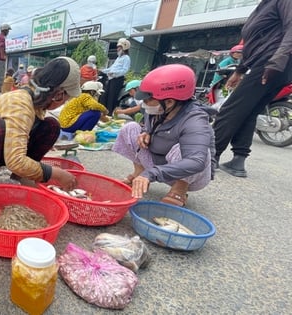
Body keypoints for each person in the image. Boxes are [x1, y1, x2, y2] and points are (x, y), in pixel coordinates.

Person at [0, 56, 80, 191]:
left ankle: (18, 178)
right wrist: (56, 174)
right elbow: (15, 160)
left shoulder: (36, 103)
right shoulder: (21, 103)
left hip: (1, 151)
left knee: (51, 126)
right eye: (65, 99)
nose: (64, 102)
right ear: (58, 95)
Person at [112, 64, 214, 207]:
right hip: (157, 161)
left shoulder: (194, 120)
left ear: (170, 101)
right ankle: (139, 173)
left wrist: (152, 173)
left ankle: (180, 188)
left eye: (148, 100)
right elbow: (146, 124)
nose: (144, 104)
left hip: (186, 173)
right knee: (130, 128)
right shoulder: (157, 108)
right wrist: (145, 132)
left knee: (187, 150)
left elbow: (196, 162)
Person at [213, 0, 292, 178]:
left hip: (272, 63)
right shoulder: (265, 5)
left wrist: (276, 62)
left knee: (230, 109)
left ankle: (209, 156)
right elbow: (255, 44)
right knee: (249, 112)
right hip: (270, 63)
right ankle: (238, 161)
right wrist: (239, 70)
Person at [100, 38, 131, 115]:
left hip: (117, 79)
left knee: (112, 97)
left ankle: (109, 114)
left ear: (124, 48)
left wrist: (114, 73)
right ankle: (104, 112)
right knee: (105, 95)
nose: (117, 49)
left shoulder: (126, 58)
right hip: (111, 79)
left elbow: (125, 70)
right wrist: (102, 70)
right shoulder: (118, 58)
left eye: (119, 47)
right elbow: (111, 68)